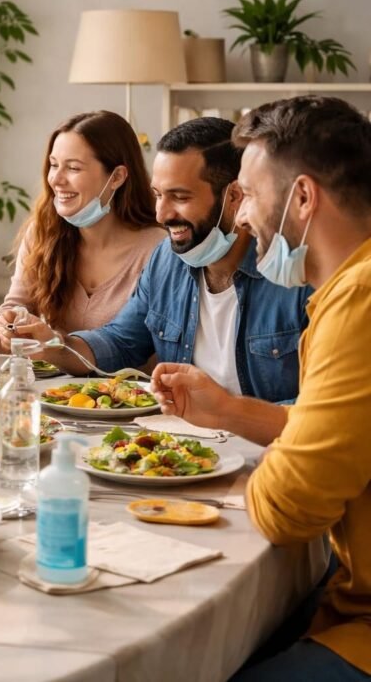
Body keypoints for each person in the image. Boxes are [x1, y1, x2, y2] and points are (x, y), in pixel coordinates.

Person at [150, 97, 371, 680]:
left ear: (301, 198)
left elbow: (287, 509)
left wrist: (250, 471)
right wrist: (230, 412)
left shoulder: (359, 300)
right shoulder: (344, 290)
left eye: (246, 194)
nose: (241, 216)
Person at [16, 118, 310, 402]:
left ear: (234, 196)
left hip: (267, 448)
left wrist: (227, 414)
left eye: (180, 197)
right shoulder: (167, 260)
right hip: (181, 444)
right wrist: (54, 345)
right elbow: (121, 342)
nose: (162, 215)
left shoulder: (294, 276)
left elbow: (324, 408)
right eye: (158, 195)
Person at [0, 110, 164, 353]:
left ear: (116, 177)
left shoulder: (158, 250)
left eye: (73, 168)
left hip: (132, 389)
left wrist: (53, 344)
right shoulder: (42, 231)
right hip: (58, 389)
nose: (56, 180)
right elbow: (18, 308)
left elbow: (137, 346)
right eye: (54, 165)